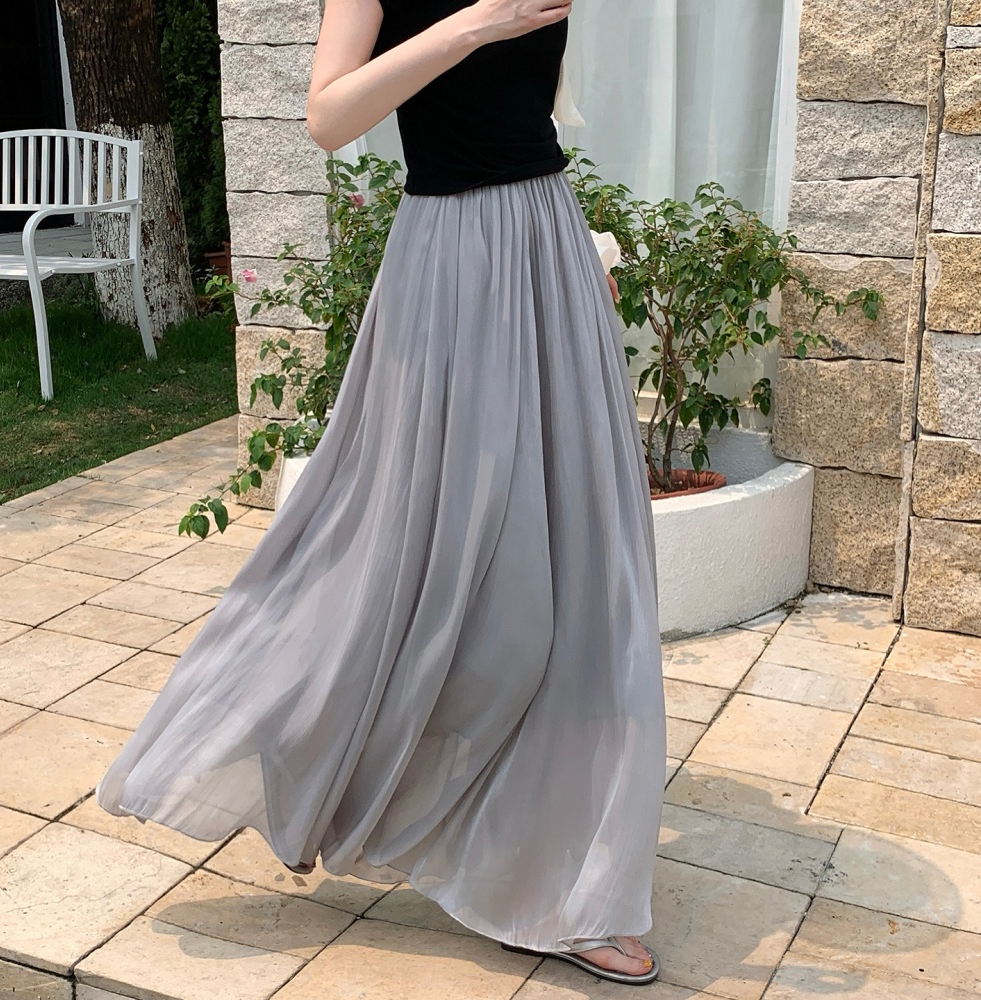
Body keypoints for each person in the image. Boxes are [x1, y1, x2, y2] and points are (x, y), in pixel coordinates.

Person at [97, 0, 666, 986]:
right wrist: (474, 23)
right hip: (452, 266)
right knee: (399, 556)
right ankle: (277, 734)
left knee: (587, 572)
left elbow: (526, 113)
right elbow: (329, 116)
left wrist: (578, 245)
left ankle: (564, 883)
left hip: (546, 247)